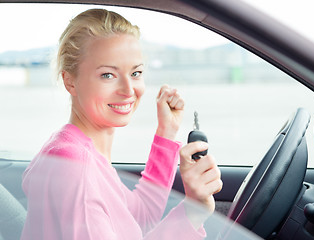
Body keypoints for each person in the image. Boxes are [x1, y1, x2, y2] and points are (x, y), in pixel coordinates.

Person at [21, 8, 222, 240]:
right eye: (108, 75)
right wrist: (192, 213)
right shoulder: (76, 167)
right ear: (70, 81)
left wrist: (166, 132)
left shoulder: (79, 152)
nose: (128, 90)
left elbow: (139, 218)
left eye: (135, 73)